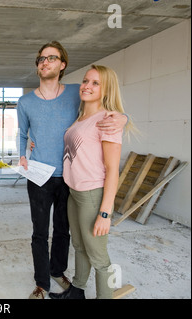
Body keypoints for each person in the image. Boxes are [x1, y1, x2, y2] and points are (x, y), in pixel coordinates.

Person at [17, 41, 128, 299]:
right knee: (40, 233)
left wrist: (124, 118)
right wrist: (22, 155)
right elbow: (23, 133)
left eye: (51, 58)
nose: (45, 62)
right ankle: (42, 283)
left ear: (62, 64)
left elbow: (110, 104)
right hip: (39, 176)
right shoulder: (25, 102)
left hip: (68, 180)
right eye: (41, 59)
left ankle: (58, 272)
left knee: (64, 233)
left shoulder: (78, 91)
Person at [49, 65, 134, 299]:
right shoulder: (81, 118)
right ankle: (77, 291)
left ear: (106, 89)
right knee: (79, 246)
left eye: (95, 83)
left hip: (92, 195)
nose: (87, 86)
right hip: (74, 192)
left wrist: (105, 213)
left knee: (98, 256)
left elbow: (112, 170)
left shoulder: (108, 120)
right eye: (86, 81)